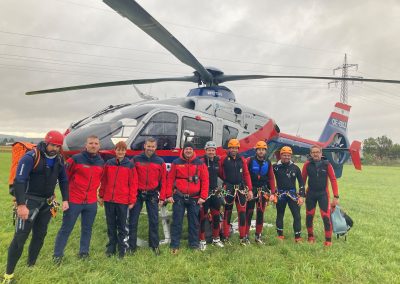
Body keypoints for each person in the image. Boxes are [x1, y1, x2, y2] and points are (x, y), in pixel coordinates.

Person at [2, 131, 69, 283]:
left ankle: (31, 264)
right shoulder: (31, 157)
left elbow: (64, 180)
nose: (55, 149)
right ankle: (8, 274)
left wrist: (66, 199)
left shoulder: (59, 159)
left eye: (58, 146)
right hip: (28, 202)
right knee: (20, 238)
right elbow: (20, 180)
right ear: (46, 143)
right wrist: (21, 205)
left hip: (46, 203)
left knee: (40, 235)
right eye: (53, 145)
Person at [53, 135, 104, 262]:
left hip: (91, 202)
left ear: (99, 146)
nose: (93, 145)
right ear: (86, 145)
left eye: (96, 143)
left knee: (87, 229)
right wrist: (66, 197)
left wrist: (100, 196)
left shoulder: (101, 162)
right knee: (66, 228)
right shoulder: (75, 159)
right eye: (91, 143)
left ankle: (84, 253)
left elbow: (101, 180)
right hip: (74, 200)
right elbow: (64, 179)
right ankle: (57, 255)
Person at [166, 141, 209, 254]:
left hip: (195, 198)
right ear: (183, 150)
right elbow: (170, 179)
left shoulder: (200, 163)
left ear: (193, 150)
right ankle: (175, 245)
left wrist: (203, 196)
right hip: (179, 197)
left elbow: (205, 181)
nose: (188, 151)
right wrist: (169, 195)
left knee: (194, 222)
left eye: (190, 149)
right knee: (177, 221)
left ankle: (194, 245)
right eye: (186, 149)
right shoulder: (176, 162)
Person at [98, 141, 137, 258]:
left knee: (122, 226)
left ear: (126, 151)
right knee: (111, 225)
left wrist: (132, 200)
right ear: (115, 151)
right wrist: (101, 195)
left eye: (123, 150)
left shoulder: (130, 165)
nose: (120, 152)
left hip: (123, 201)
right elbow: (104, 181)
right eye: (118, 149)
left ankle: (122, 249)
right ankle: (111, 248)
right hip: (109, 199)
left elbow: (133, 184)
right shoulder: (109, 164)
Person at [129, 137, 167, 256]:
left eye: (153, 146)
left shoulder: (160, 161)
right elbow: (130, 177)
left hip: (152, 194)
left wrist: (162, 197)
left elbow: (164, 181)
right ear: (144, 146)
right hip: (138, 194)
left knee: (154, 220)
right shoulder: (136, 159)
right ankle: (131, 246)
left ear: (156, 147)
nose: (150, 148)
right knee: (133, 220)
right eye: (148, 146)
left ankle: (154, 246)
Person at [302, 145, 339, 246]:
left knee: (326, 217)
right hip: (310, 193)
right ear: (311, 154)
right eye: (313, 152)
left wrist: (336, 196)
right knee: (309, 216)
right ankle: (310, 237)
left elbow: (333, 180)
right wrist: (301, 194)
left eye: (317, 152)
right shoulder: (307, 165)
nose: (315, 154)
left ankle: (328, 240)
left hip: (323, 194)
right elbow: (303, 180)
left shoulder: (327, 164)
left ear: (321, 153)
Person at [219, 138, 252, 246]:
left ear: (238, 148)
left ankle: (242, 237)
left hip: (241, 188)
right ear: (229, 148)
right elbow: (219, 172)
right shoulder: (223, 159)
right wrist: (226, 183)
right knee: (227, 212)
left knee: (242, 213)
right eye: (231, 148)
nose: (233, 150)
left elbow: (246, 174)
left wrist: (250, 189)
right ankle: (226, 237)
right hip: (228, 188)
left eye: (235, 148)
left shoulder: (242, 160)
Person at [245, 141, 276, 244]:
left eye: (263, 150)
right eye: (259, 149)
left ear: (265, 151)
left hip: (262, 191)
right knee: (248, 213)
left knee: (260, 213)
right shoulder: (250, 160)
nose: (261, 151)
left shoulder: (268, 162)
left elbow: (271, 178)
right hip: (251, 190)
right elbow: (245, 174)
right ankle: (246, 236)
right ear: (256, 150)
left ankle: (258, 236)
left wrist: (272, 192)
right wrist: (247, 189)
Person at [272, 146, 305, 242]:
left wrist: (301, 196)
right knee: (280, 214)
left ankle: (298, 237)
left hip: (292, 194)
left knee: (297, 215)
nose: (286, 157)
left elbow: (301, 182)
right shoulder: (275, 167)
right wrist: (272, 193)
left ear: (291, 156)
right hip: (280, 194)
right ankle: (280, 235)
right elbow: (269, 179)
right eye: (284, 155)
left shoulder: (295, 168)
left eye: (288, 155)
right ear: (280, 155)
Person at [199, 141, 224, 250]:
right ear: (205, 151)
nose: (211, 152)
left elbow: (222, 174)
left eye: (213, 150)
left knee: (216, 216)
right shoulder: (201, 161)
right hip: (204, 193)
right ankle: (202, 240)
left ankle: (216, 239)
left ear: (215, 151)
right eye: (209, 150)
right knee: (203, 217)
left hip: (215, 192)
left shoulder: (217, 162)